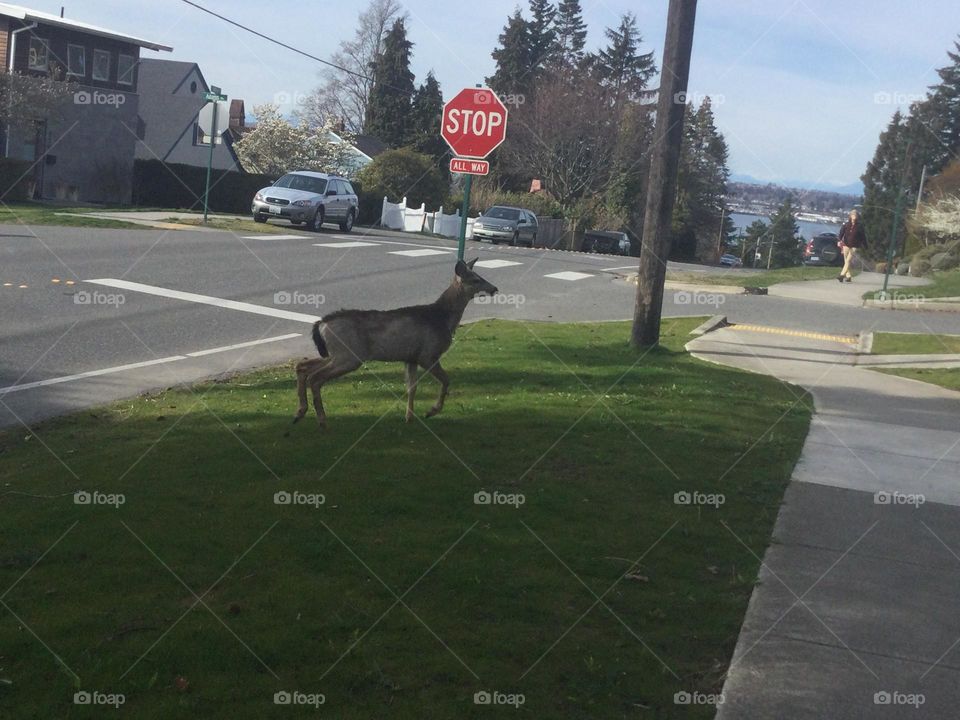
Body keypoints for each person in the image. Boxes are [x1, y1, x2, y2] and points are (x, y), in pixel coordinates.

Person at [837, 209, 867, 282]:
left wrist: (865, 245)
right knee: (846, 260)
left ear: (857, 216)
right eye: (853, 215)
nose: (854, 216)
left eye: (855, 215)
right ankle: (848, 276)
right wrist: (839, 240)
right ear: (850, 216)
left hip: (854, 245)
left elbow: (863, 236)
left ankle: (842, 275)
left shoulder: (859, 226)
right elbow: (841, 233)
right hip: (845, 244)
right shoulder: (846, 224)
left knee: (848, 260)